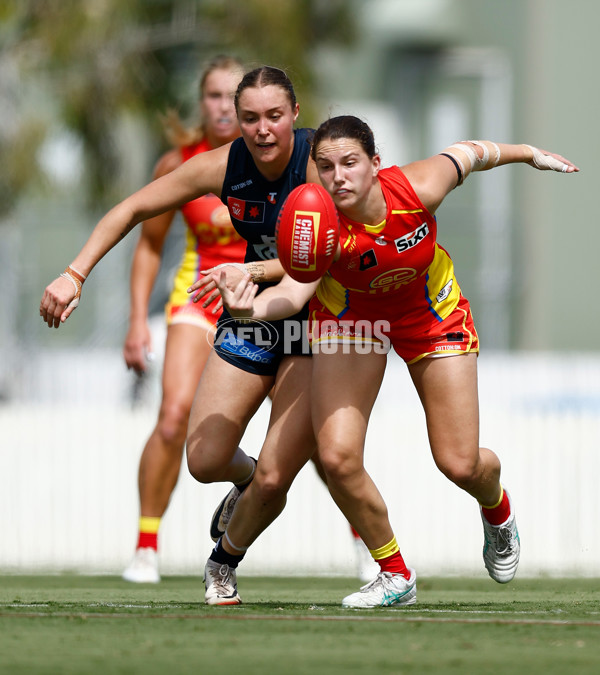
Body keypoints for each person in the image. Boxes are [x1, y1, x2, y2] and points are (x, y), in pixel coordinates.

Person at [208, 115, 579, 608]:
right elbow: (294, 294)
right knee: (338, 457)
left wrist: (529, 152)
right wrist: (245, 308)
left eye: (349, 163)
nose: (338, 176)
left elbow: (473, 151)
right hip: (351, 323)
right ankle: (395, 574)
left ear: (375, 164)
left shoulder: (418, 187)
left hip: (431, 315)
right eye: (325, 166)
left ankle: (497, 508)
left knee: (459, 463)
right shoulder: (318, 225)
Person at [40, 67, 372, 594]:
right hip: (249, 317)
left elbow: (337, 243)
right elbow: (133, 208)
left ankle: (224, 563)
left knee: (278, 474)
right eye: (249, 118)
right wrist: (74, 273)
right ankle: (243, 486)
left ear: (295, 116)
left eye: (274, 117)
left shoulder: (320, 165)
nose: (262, 130)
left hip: (315, 322)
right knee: (204, 459)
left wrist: (252, 274)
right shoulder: (222, 166)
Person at [120, 56, 247, 583]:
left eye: (231, 96)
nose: (222, 106)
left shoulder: (277, 160)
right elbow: (148, 245)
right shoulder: (178, 163)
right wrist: (135, 321)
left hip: (265, 302)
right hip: (196, 299)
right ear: (202, 102)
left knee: (311, 431)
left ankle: (365, 548)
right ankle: (146, 547)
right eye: (213, 95)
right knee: (173, 417)